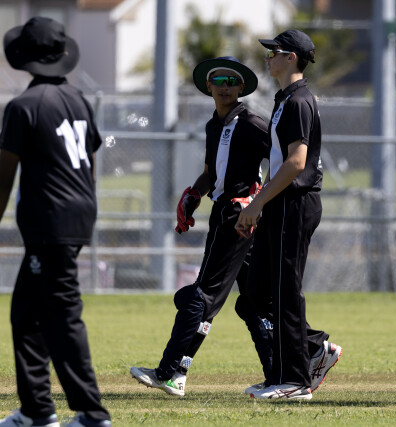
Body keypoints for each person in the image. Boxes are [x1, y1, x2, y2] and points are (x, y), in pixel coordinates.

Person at [130, 56, 274, 396]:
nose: (224, 87)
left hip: (237, 218)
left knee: (200, 296)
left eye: (231, 81)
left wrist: (256, 199)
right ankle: (281, 374)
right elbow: (211, 173)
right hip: (226, 214)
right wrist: (193, 194)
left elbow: (287, 159)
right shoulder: (213, 125)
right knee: (252, 303)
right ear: (208, 86)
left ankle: (169, 371)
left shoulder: (251, 123)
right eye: (218, 81)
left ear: (241, 88)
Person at [0, 17, 111, 427]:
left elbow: (4, 178)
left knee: (61, 315)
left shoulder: (23, 106)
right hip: (75, 216)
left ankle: (92, 413)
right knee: (27, 315)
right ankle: (36, 411)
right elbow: (91, 163)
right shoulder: (78, 99)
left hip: (50, 223)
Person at [235, 29, 342, 400]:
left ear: (292, 57)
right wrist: (260, 203)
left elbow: (297, 162)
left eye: (274, 52)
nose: (268, 58)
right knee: (255, 294)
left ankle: (294, 380)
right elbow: (281, 160)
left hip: (294, 204)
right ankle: (311, 349)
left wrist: (257, 204)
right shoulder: (285, 98)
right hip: (279, 204)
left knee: (284, 292)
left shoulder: (298, 100)